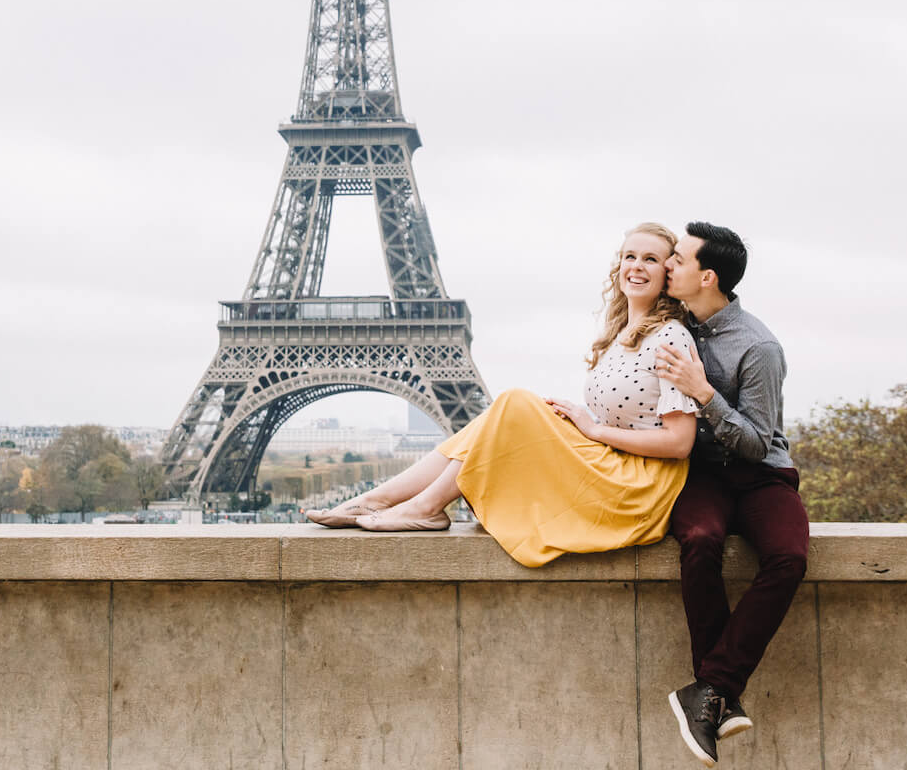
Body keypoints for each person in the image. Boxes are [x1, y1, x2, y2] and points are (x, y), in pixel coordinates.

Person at [303, 223, 701, 567]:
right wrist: (583, 423)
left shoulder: (669, 336)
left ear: (667, 274)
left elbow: (680, 443)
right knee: (500, 416)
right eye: (630, 255)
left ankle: (424, 507)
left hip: (638, 487)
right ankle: (377, 499)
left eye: (651, 259)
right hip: (612, 464)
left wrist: (594, 431)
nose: (636, 266)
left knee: (514, 403)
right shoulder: (619, 335)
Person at [652, 221, 807, 768]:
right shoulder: (669, 327)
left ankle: (710, 688)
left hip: (760, 473)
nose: (669, 265)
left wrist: (704, 393)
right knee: (699, 540)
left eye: (679, 259)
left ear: (707, 276)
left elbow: (755, 443)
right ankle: (720, 695)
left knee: (788, 558)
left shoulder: (759, 346)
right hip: (703, 477)